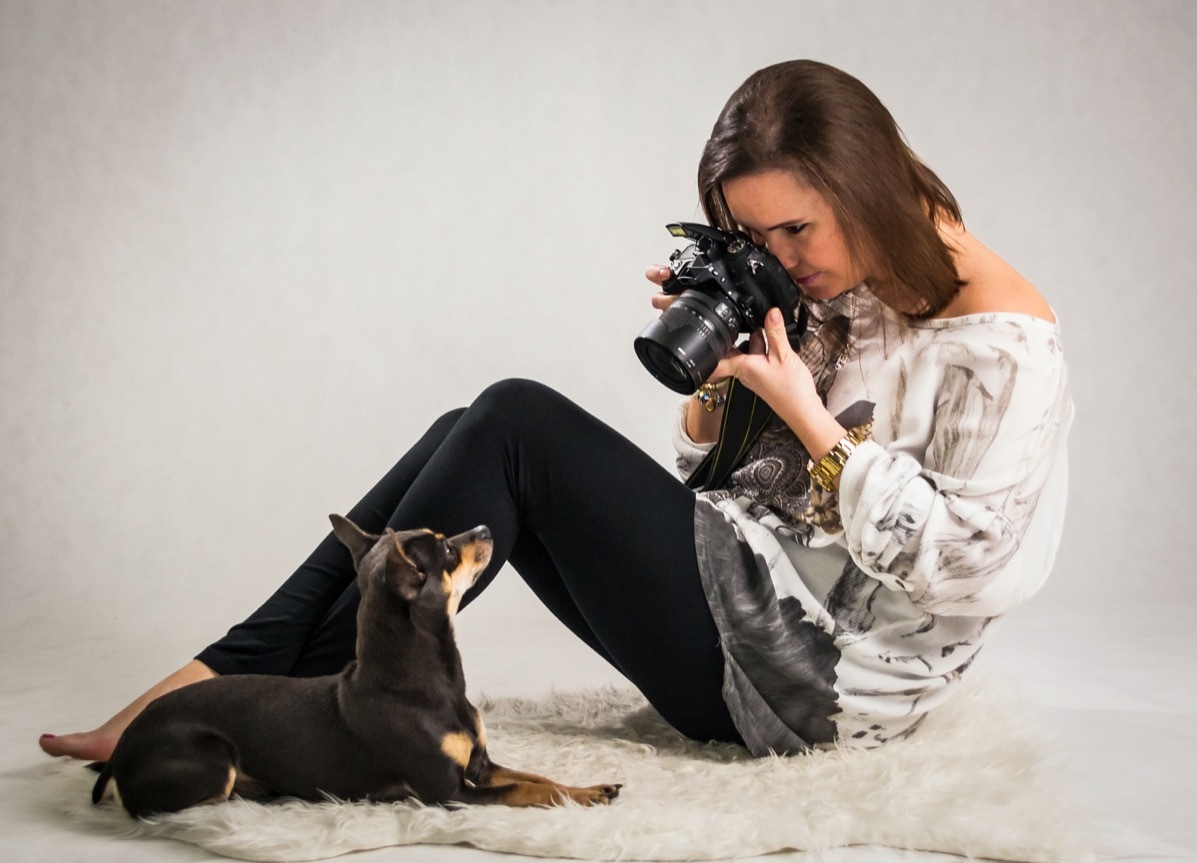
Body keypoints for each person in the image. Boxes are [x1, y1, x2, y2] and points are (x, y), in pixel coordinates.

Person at [40, 59, 1071, 761]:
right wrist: (726, 386)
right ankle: (230, 674)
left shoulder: (1006, 348)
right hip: (743, 610)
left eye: (796, 229)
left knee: (514, 422)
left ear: (864, 182)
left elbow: (978, 572)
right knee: (470, 427)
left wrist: (813, 422)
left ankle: (257, 712)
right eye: (757, 238)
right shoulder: (843, 283)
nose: (784, 261)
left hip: (820, 688)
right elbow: (729, 487)